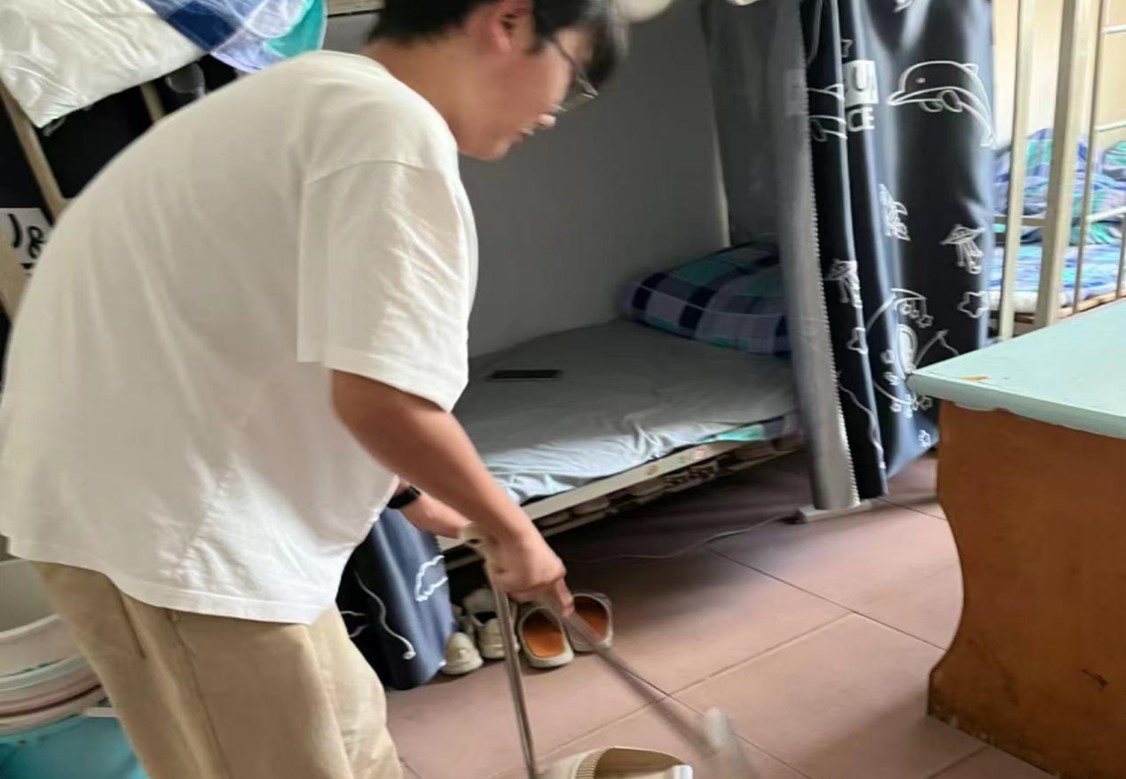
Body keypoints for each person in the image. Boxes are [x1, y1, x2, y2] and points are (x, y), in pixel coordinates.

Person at [0, 1, 628, 777]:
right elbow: (385, 402)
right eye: (574, 75)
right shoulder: (387, 130)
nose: (555, 113)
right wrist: (515, 533)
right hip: (176, 528)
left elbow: (282, 332)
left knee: (352, 743)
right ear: (508, 20)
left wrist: (407, 492)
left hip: (162, 507)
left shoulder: (306, 95)